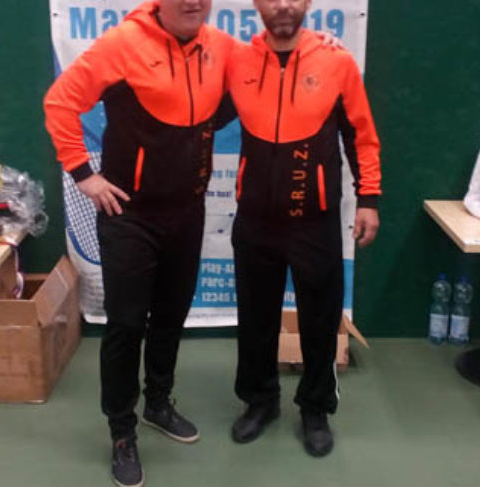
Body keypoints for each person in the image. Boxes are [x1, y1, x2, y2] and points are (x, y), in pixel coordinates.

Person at [43, 1, 232, 485]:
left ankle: (158, 403)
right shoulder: (122, 44)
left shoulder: (220, 47)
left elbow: (252, 86)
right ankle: (121, 431)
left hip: (187, 211)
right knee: (127, 324)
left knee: (170, 315)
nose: (193, 2)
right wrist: (83, 174)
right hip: (129, 214)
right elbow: (60, 102)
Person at [223, 0, 381, 458]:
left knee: (319, 319)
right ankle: (260, 400)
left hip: (314, 219)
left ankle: (315, 409)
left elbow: (361, 135)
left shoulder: (336, 61)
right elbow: (193, 112)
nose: (283, 6)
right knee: (256, 317)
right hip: (255, 217)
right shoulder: (237, 61)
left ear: (308, 2)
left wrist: (369, 199)